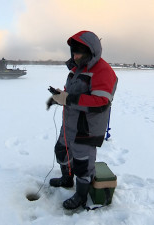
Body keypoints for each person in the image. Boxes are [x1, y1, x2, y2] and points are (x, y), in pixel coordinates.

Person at [48, 31, 118, 210]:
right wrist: (58, 96)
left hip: (87, 128)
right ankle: (66, 179)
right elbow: (70, 93)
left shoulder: (103, 71)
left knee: (83, 164)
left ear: (90, 51)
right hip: (69, 124)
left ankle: (81, 195)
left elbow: (101, 102)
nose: (75, 55)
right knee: (61, 151)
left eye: (79, 51)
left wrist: (68, 99)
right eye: (73, 51)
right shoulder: (76, 69)